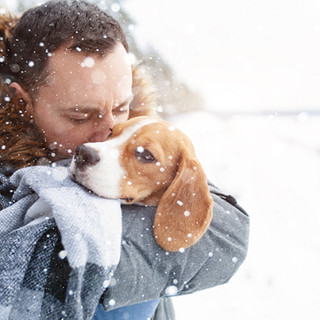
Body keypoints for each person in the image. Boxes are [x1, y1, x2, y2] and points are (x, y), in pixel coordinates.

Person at [0, 1, 250, 319]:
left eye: (121, 108)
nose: (109, 133)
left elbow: (227, 233)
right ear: (22, 103)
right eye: (80, 115)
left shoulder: (140, 135)